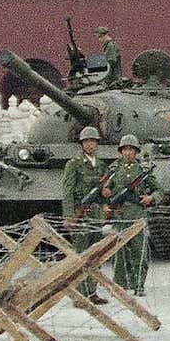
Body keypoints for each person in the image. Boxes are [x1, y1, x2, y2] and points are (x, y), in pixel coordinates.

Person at [106, 135, 162, 297]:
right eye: (125, 149)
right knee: (119, 253)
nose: (128, 153)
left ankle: (139, 285)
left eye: (131, 149)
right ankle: (120, 285)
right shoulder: (114, 171)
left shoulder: (143, 171)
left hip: (137, 215)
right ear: (121, 152)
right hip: (120, 216)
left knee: (140, 252)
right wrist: (107, 201)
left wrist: (151, 198)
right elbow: (106, 190)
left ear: (136, 152)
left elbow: (159, 190)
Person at [61, 126, 110, 304]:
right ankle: (80, 294)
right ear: (82, 144)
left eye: (93, 141)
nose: (90, 144)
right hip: (79, 214)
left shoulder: (102, 165)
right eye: (87, 141)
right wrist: (69, 215)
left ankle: (92, 291)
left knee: (96, 254)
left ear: (97, 144)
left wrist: (105, 203)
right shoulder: (74, 164)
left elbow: (103, 191)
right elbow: (67, 191)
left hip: (95, 215)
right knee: (81, 254)